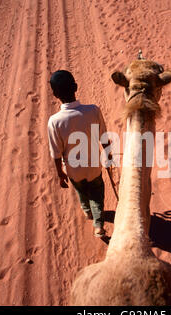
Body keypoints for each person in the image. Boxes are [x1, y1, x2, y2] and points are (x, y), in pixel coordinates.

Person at [47, 70, 109, 238]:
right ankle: (99, 225)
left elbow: (56, 152)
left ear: (55, 94)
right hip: (94, 167)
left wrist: (60, 174)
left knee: (81, 190)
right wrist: (108, 155)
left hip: (74, 170)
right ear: (75, 87)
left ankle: (87, 211)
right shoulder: (93, 110)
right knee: (97, 193)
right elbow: (103, 136)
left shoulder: (54, 121)